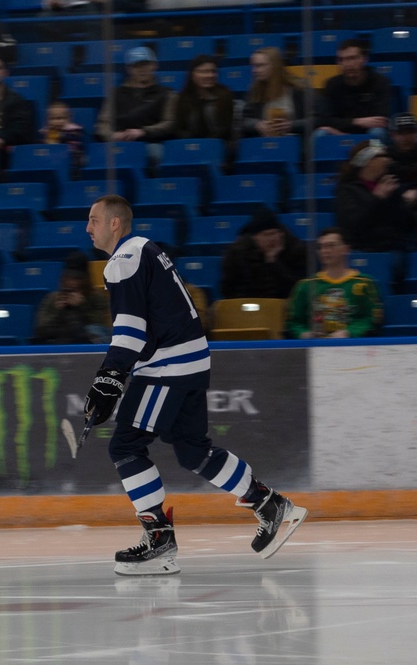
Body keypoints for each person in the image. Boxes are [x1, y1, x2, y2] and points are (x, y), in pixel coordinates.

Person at [81, 194, 307, 576]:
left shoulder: (122, 259)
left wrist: (107, 379)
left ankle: (159, 540)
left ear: (115, 223)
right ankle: (268, 503)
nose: (88, 228)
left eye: (93, 219)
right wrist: (114, 377)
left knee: (125, 445)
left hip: (168, 364)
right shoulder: (147, 250)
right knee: (191, 450)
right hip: (191, 358)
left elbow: (131, 332)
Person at [286, 227, 382, 339]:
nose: (324, 251)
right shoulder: (305, 285)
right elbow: (293, 322)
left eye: (331, 246)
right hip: (315, 347)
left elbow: (373, 317)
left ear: (346, 249)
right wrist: (304, 333)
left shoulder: (364, 283)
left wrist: (349, 332)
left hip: (352, 347)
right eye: (321, 247)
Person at [95, 47, 176, 163]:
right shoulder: (115, 93)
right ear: (128, 69)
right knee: (94, 159)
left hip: (150, 142)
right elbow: (104, 122)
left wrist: (144, 132)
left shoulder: (168, 94)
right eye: (136, 66)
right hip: (119, 143)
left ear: (154, 65)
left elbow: (170, 122)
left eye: (145, 64)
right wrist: (112, 135)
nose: (142, 69)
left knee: (155, 154)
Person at [335, 140, 415, 254]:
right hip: (362, 249)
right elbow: (353, 226)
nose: (387, 159)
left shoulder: (390, 185)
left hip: (392, 248)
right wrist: (377, 199)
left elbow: (406, 224)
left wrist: (401, 201)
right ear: (367, 161)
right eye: (381, 156)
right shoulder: (347, 189)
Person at [220, 208, 307, 300]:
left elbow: (298, 289)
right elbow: (227, 289)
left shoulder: (296, 249)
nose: (271, 239)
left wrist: (274, 263)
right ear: (254, 237)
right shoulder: (238, 252)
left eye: (273, 233)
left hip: (285, 306)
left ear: (281, 233)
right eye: (265, 235)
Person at [315, 39, 393, 139]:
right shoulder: (332, 84)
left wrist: (348, 124)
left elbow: (380, 120)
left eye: (352, 58)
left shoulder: (381, 82)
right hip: (339, 132)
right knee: (320, 134)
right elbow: (325, 120)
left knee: (378, 132)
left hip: (368, 133)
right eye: (341, 60)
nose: (346, 64)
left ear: (365, 59)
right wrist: (357, 122)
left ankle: (377, 154)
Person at [33, 253, 110, 344]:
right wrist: (58, 311)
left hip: (86, 346)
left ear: (86, 279)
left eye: (77, 278)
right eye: (69, 278)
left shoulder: (97, 299)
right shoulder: (51, 299)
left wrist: (81, 306)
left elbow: (100, 327)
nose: (72, 283)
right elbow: (41, 331)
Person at [242, 47, 307, 138]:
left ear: (275, 66)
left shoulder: (299, 89)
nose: (254, 70)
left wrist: (291, 125)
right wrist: (257, 124)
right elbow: (244, 120)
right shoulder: (255, 91)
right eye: (253, 66)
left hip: (295, 142)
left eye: (260, 66)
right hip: (265, 143)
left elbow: (318, 119)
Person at [172, 55, 234, 142]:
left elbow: (227, 129)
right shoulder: (183, 99)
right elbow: (180, 129)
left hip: (219, 146)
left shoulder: (225, 95)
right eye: (204, 72)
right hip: (190, 146)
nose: (210, 75)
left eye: (213, 71)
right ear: (192, 75)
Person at [39, 100, 85, 177]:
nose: (56, 122)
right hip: (51, 161)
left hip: (71, 160)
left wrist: (57, 139)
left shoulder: (73, 131)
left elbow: (73, 144)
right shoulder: (47, 132)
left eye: (60, 118)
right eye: (52, 119)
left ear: (69, 118)